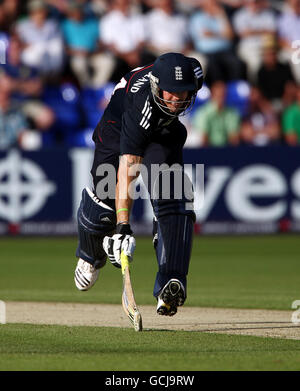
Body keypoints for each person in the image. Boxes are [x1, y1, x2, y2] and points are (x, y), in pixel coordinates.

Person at [73, 52, 204, 317]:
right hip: (118, 127)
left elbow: (187, 81)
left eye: (183, 93)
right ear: (157, 85)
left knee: (173, 194)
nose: (177, 100)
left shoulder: (194, 74)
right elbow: (129, 170)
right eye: (170, 93)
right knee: (106, 196)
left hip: (164, 132)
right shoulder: (142, 105)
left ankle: (171, 279)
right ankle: (90, 255)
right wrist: (123, 226)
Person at [188, 0, 243, 85]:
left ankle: (235, 88)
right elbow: (204, 35)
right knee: (213, 66)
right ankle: (217, 91)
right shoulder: (197, 18)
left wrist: (221, 16)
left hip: (225, 51)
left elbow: (230, 36)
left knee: (236, 63)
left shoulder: (222, 16)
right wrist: (221, 34)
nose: (213, 4)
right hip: (207, 52)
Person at [233, 0, 277, 82]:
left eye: (256, 2)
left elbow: (273, 32)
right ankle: (256, 86)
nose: (254, 4)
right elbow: (243, 33)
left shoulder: (267, 14)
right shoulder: (240, 15)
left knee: (278, 60)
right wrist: (263, 31)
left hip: (266, 47)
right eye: (251, 2)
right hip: (248, 48)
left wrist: (252, 31)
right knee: (255, 63)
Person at [192, 80, 240, 146]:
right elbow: (203, 140)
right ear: (212, 93)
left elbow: (234, 139)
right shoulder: (202, 113)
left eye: (223, 95)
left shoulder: (232, 112)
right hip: (208, 153)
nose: (221, 98)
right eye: (218, 95)